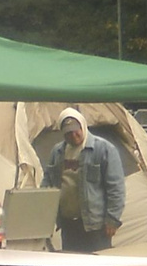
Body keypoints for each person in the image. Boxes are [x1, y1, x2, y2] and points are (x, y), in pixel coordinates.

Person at [42, 108, 125, 252]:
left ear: (83, 126)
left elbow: (116, 188)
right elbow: (48, 181)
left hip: (96, 225)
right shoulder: (57, 152)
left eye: (76, 131)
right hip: (68, 224)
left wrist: (113, 219)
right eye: (68, 133)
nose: (74, 136)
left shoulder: (104, 149)